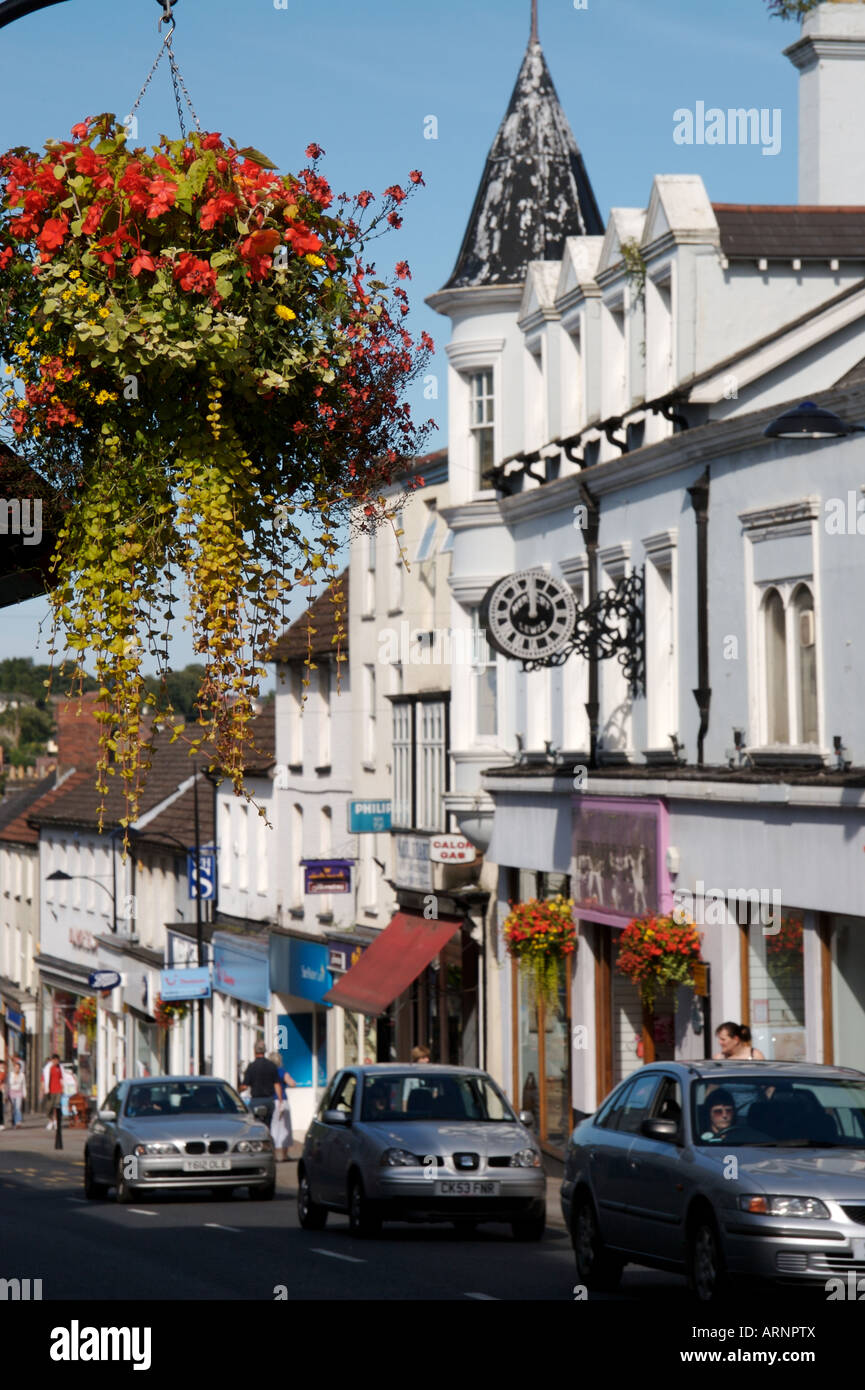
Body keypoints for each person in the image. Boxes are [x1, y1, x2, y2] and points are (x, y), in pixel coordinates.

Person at [241, 1041, 282, 1128]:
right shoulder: (271, 1066)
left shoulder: (251, 1066)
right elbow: (277, 1085)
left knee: (254, 1125)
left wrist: (238, 1090)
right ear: (265, 1051)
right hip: (269, 1101)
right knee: (268, 1125)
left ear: (254, 1051)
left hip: (256, 1101)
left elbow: (244, 1087)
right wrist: (280, 1101)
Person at [268, 1051, 297, 1162]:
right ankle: (284, 1155)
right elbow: (292, 1083)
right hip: (282, 1101)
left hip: (271, 1101)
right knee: (285, 1128)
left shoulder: (268, 1073)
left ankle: (274, 1155)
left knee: (273, 1128)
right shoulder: (281, 1071)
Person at [43, 1053, 64, 1130]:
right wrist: (44, 1089)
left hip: (58, 1090)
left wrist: (63, 1088)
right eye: (55, 1060)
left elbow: (62, 1078)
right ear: (52, 1060)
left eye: (58, 1060)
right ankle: (51, 1120)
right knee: (49, 1108)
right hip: (50, 1090)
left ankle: (56, 1121)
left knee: (56, 1106)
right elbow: (44, 1079)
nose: (56, 1062)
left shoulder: (59, 1068)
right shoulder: (47, 1068)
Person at [6, 1057, 26, 1127]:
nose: (17, 1069)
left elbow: (23, 1085)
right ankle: (14, 1121)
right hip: (11, 1092)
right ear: (14, 1068)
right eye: (15, 1067)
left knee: (18, 1107)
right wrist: (6, 1095)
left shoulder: (22, 1075)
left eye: (18, 1068)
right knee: (14, 1108)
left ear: (20, 1068)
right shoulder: (10, 1074)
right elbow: (9, 1084)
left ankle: (18, 1122)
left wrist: (24, 1094)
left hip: (19, 1092)